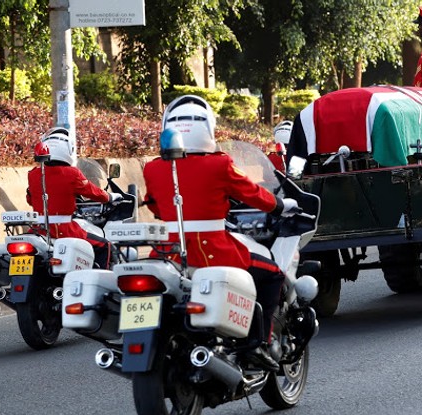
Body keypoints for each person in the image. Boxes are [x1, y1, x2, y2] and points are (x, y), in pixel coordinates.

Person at [143, 95, 299, 372]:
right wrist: (279, 205)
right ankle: (257, 343)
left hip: (167, 253)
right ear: (207, 128)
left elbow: (153, 204)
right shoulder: (219, 164)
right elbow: (252, 194)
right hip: (213, 249)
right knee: (273, 274)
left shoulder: (154, 167)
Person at [26, 128, 121, 270]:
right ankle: (100, 285)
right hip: (64, 230)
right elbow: (92, 192)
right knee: (105, 246)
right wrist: (110, 196)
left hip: (39, 230)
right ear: (68, 150)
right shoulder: (72, 173)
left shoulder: (33, 174)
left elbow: (31, 200)